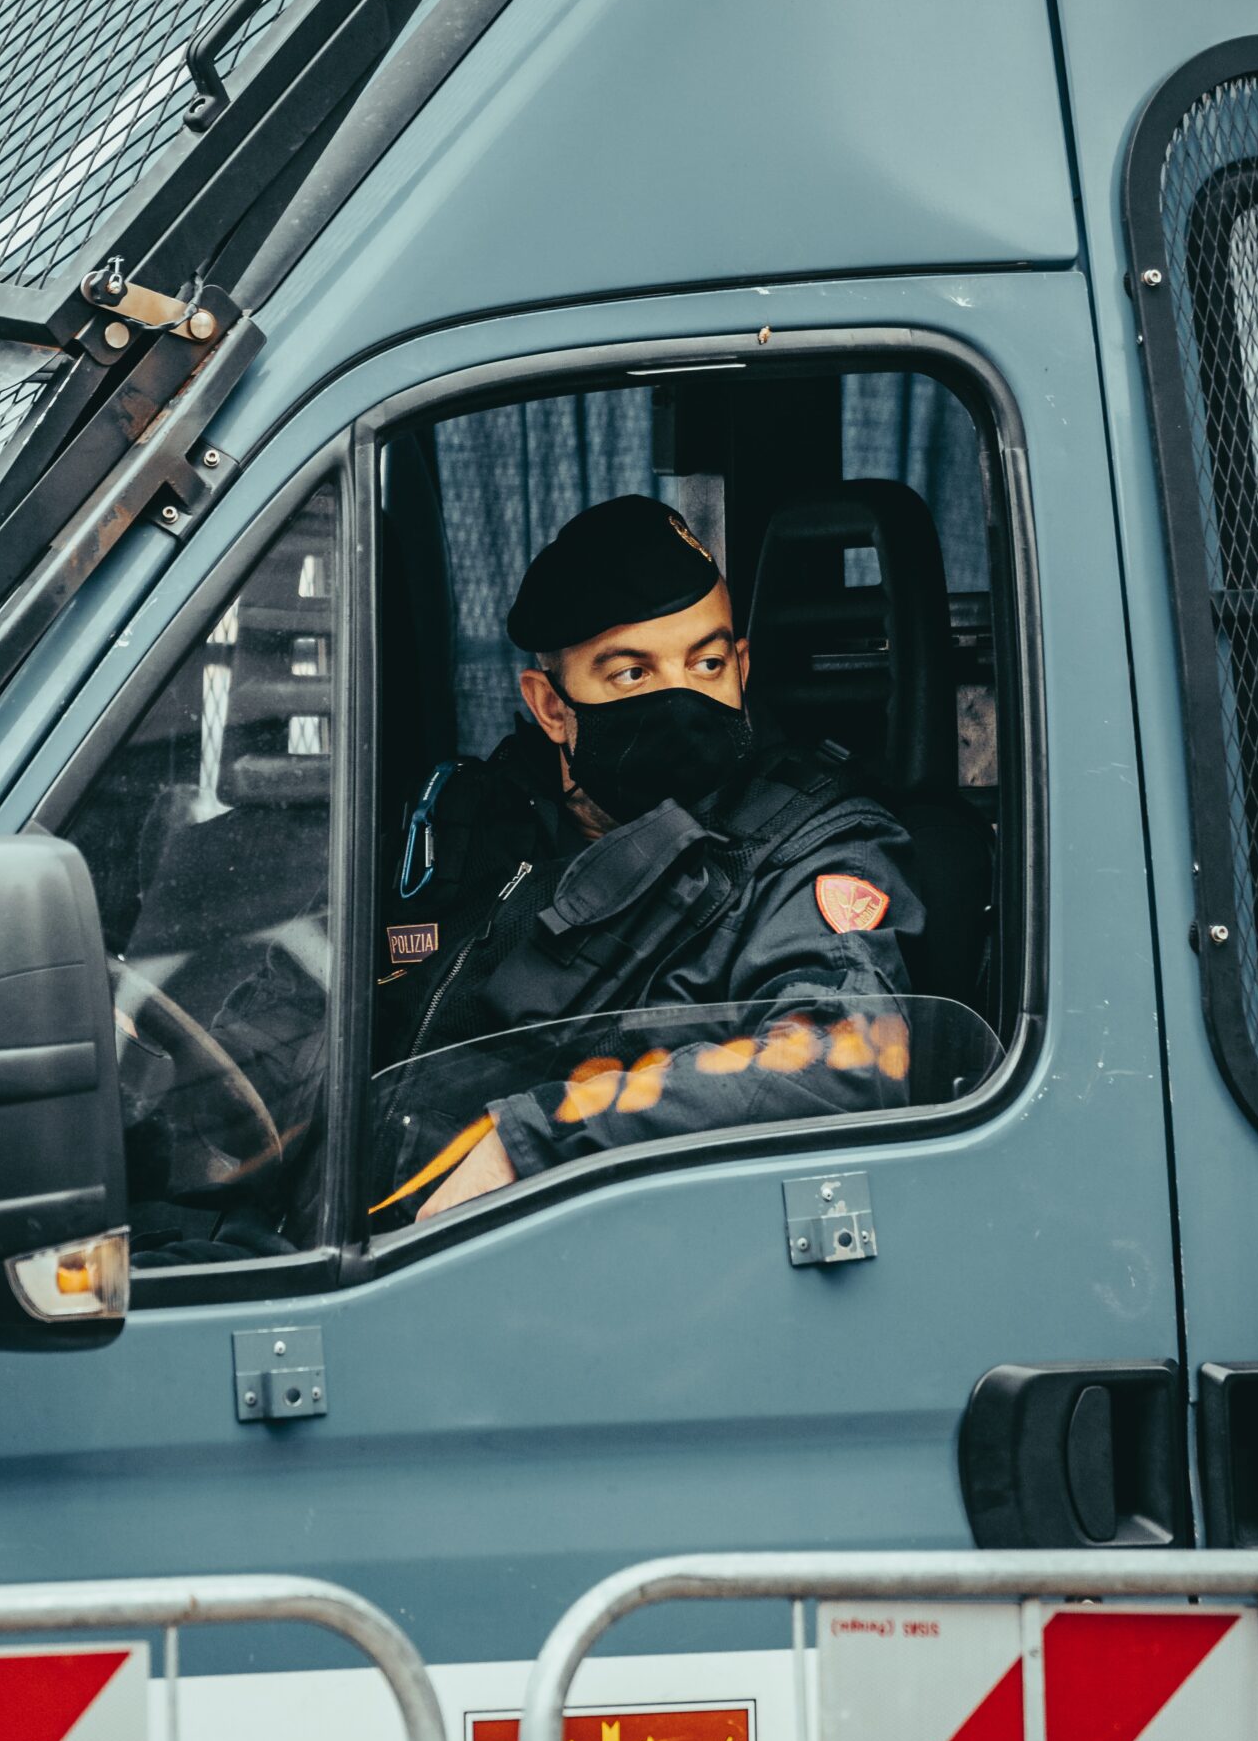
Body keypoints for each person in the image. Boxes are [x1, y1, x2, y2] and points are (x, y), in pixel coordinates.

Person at [374, 495, 929, 1219]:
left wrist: (537, 1144)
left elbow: (847, 1061)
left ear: (743, 666)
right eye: (632, 674)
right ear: (550, 706)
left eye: (707, 662)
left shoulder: (812, 849)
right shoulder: (471, 821)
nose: (682, 700)